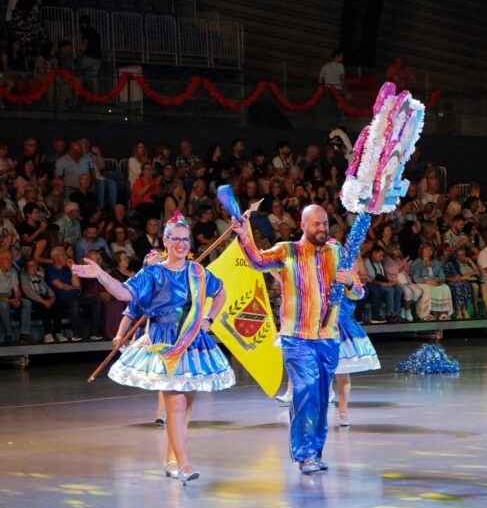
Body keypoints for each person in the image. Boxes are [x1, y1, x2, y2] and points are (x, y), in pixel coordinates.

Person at [73, 214, 235, 484]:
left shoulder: (198, 272)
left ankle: (171, 459)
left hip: (193, 343)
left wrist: (208, 318)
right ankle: (183, 463)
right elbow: (125, 294)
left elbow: (220, 292)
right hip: (164, 342)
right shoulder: (153, 273)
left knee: (186, 406)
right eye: (176, 239)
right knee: (175, 403)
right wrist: (101, 275)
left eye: (186, 239)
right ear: (166, 241)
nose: (181, 244)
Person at [232, 205, 362, 475]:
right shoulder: (286, 250)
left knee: (322, 395)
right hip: (297, 338)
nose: (322, 228)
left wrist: (350, 282)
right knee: (305, 390)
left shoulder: (338, 253)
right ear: (302, 225)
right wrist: (245, 236)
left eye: (325, 223)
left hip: (328, 337)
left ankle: (315, 451)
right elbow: (257, 261)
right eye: (316, 224)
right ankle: (304, 454)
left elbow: (359, 293)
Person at [331, 266, 378, 428]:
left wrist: (349, 281)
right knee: (316, 374)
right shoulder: (317, 270)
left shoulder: (347, 272)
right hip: (319, 327)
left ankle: (343, 413)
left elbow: (359, 293)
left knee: (342, 374)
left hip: (341, 327)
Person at [411, 243, 453, 321]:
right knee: (428, 289)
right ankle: (426, 313)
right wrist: (427, 281)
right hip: (422, 282)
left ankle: (442, 313)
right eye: (426, 249)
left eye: (430, 249)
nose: (428, 251)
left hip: (435, 281)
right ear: (422, 251)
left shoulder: (436, 262)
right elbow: (415, 277)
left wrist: (440, 281)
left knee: (445, 287)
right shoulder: (417, 262)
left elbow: (442, 275)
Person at [20, 258, 58, 342]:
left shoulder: (40, 277)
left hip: (44, 297)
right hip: (33, 299)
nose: (33, 267)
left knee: (57, 305)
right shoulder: (24, 277)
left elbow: (48, 289)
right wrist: (44, 301)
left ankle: (57, 332)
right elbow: (28, 292)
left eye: (35, 265)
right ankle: (48, 334)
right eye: (30, 266)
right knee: (44, 307)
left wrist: (52, 298)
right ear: (26, 267)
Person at [0, 250, 31, 344]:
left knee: (26, 303)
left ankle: (24, 334)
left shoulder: (13, 271)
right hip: (1, 298)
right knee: (4, 304)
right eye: (7, 259)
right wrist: (9, 301)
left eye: (11, 259)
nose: (9, 261)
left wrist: (17, 298)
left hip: (9, 296)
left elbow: (16, 290)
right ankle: (8, 334)